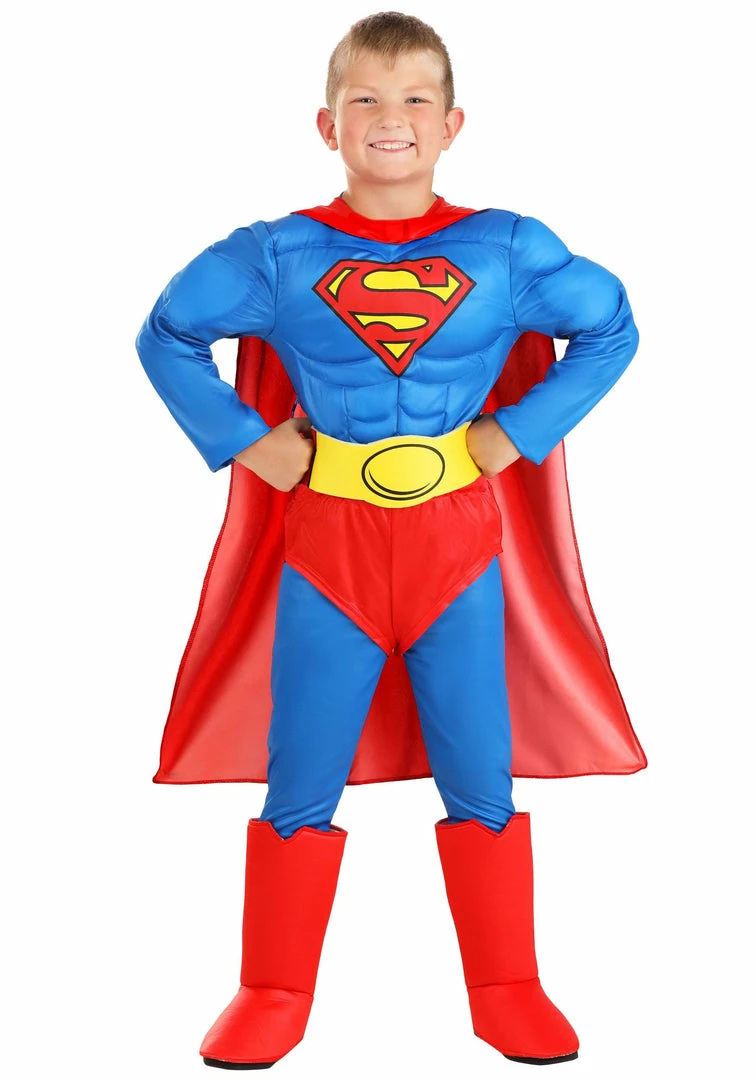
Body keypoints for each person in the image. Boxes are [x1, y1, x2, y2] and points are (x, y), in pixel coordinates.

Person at [136, 10, 645, 1070]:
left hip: (459, 545)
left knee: (480, 771)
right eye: (364, 98)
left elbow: (611, 324)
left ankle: (508, 985)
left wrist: (516, 433)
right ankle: (272, 988)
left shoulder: (506, 250)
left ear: (453, 123)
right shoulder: (277, 255)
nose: (391, 117)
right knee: (301, 774)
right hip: (328, 549)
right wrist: (248, 443)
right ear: (327, 125)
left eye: (415, 97)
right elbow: (168, 332)